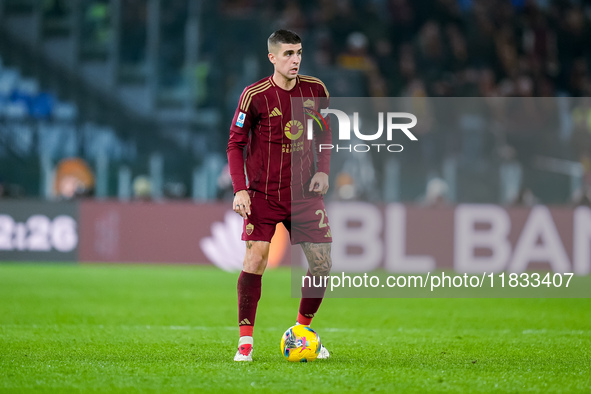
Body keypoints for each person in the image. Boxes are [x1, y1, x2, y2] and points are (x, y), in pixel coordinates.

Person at [227, 29, 333, 362]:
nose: (296, 59)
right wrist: (239, 189)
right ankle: (246, 343)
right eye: (288, 54)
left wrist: (323, 169)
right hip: (262, 194)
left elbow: (325, 131)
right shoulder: (254, 95)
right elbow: (236, 143)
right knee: (255, 258)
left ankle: (302, 331)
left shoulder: (315, 90)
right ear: (272, 57)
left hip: (303, 194)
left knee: (322, 263)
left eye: (299, 52)